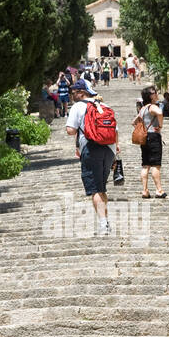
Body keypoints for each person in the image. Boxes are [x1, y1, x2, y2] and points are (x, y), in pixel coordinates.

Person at [66, 80, 119, 235]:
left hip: (91, 148)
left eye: (74, 92)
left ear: (82, 92)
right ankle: (106, 220)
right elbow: (115, 130)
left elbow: (70, 130)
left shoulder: (78, 106)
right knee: (101, 186)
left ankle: (103, 225)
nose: (72, 95)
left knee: (95, 188)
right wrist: (116, 149)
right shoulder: (105, 106)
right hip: (109, 150)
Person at [137, 86, 167, 199]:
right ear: (150, 96)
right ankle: (159, 190)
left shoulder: (143, 108)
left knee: (145, 165)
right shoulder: (153, 107)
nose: (156, 94)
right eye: (154, 93)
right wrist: (160, 126)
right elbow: (159, 113)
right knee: (156, 165)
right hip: (154, 137)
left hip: (144, 138)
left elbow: (134, 121)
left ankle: (145, 190)